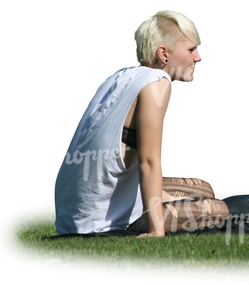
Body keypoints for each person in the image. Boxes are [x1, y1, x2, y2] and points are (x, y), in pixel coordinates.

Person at [54, 10, 229, 238]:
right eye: (190, 49)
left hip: (77, 210)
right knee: (220, 210)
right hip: (98, 222)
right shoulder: (158, 83)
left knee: (203, 189)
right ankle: (142, 221)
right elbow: (148, 162)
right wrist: (156, 230)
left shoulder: (121, 77)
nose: (198, 57)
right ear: (164, 54)